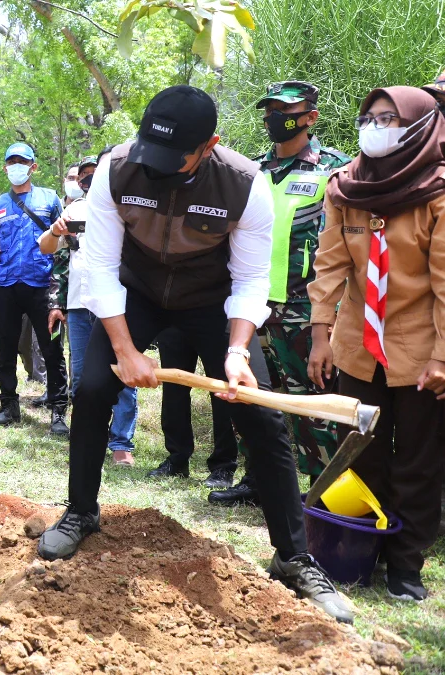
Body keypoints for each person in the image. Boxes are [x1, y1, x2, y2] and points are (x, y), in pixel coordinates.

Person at [35, 85, 353, 623]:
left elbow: (252, 277)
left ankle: (294, 557)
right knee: (92, 391)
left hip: (212, 298)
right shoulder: (117, 168)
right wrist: (125, 350)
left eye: (173, 158)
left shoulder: (244, 184)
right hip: (135, 292)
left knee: (262, 415)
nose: (154, 168)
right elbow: (101, 268)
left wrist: (235, 350)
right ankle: (80, 512)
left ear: (209, 145)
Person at [309, 86, 445, 603]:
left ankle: (405, 565)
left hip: (420, 351)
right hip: (357, 347)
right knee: (360, 453)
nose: (376, 126)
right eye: (369, 117)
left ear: (419, 126)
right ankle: (359, 549)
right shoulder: (344, 189)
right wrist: (320, 335)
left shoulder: (437, 193)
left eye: (389, 118)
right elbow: (331, 266)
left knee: (417, 460)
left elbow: (443, 283)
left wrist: (441, 356)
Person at [202, 81, 353, 507]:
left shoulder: (335, 170)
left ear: (311, 117)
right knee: (251, 398)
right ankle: (257, 479)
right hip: (250, 306)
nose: (274, 117)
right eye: (269, 108)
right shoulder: (250, 172)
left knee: (312, 400)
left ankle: (323, 492)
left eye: (285, 109)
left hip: (305, 306)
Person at [41, 154, 138, 466]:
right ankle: (88, 436)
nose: (88, 180)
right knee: (82, 374)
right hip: (80, 305)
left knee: (121, 370)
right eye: (83, 176)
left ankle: (121, 443)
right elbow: (48, 249)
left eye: (94, 173)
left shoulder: (127, 205)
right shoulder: (74, 209)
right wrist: (56, 232)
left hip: (115, 304)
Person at [0, 142, 68, 433]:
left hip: (43, 286)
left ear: (33, 166)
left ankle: (58, 411)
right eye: (11, 161)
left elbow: (64, 247)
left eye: (23, 161)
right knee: (5, 347)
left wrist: (60, 292)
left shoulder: (50, 198)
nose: (17, 166)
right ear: (5, 167)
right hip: (6, 285)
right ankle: (8, 405)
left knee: (52, 348)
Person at [152, 328, 241, 486]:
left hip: (214, 315)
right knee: (173, 389)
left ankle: (224, 466)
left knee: (223, 391)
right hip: (173, 316)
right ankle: (177, 460)